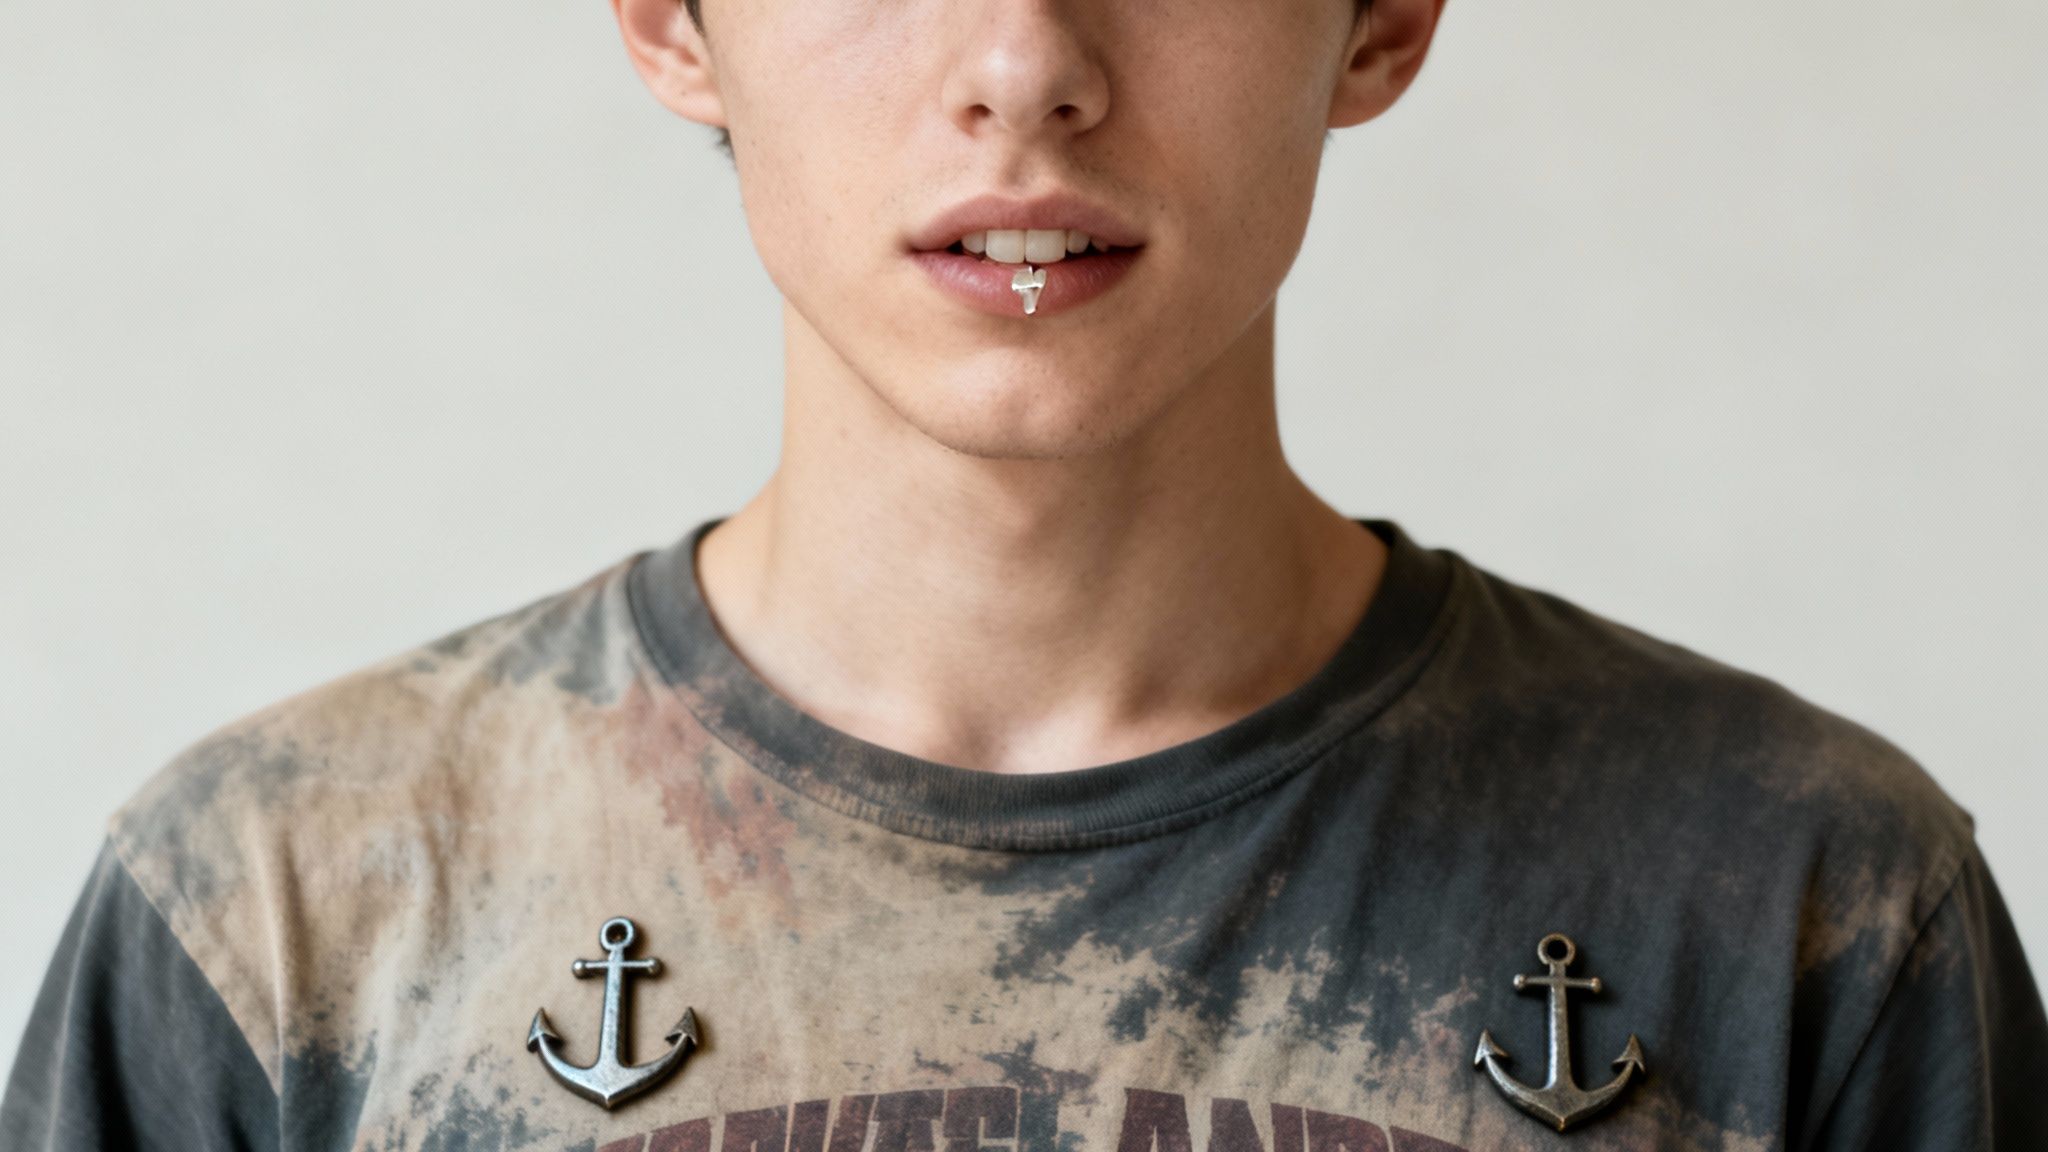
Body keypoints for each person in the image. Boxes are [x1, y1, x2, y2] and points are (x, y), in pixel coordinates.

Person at [4, 0, 2043, 1147]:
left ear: (1386, 18)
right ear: (665, 19)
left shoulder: (1801, 905)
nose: (1024, 64)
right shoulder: (283, 912)